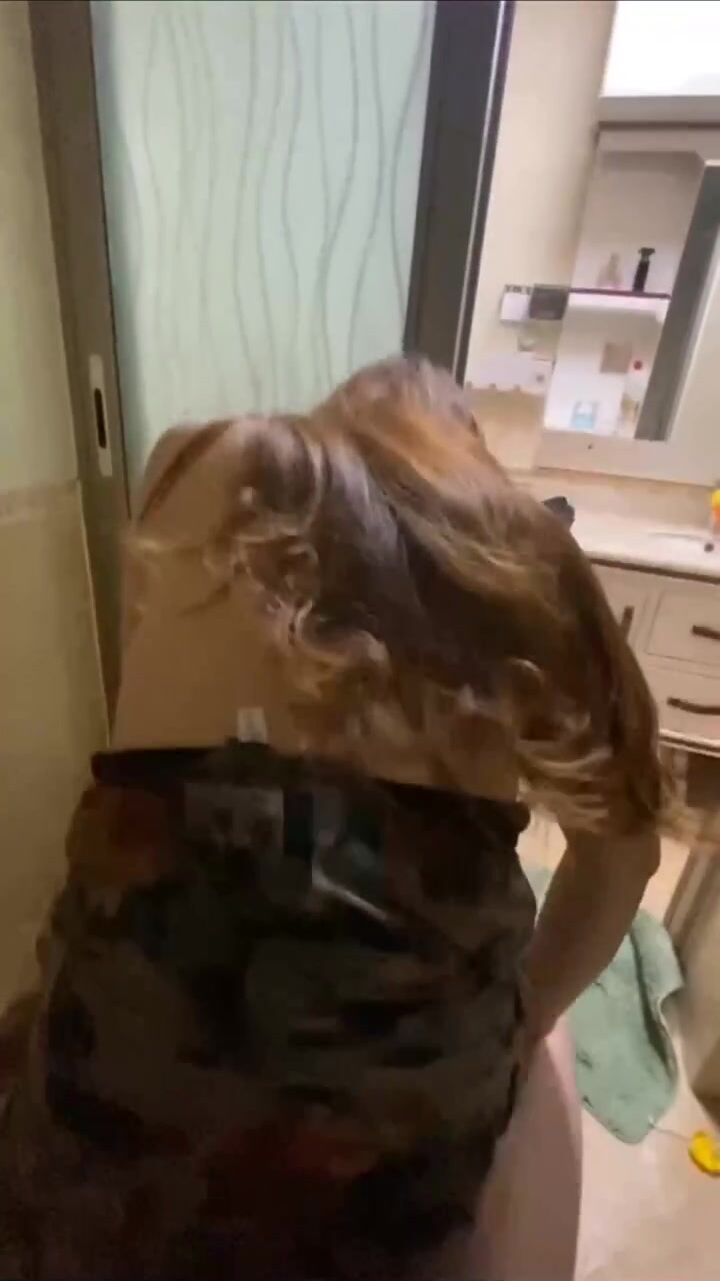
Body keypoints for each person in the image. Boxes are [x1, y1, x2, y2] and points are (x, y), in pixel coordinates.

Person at [0, 357, 667, 1279]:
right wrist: (527, 1021)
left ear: (333, 417)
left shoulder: (189, 470)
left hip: (93, 1158)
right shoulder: (521, 558)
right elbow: (624, 856)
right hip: (379, 1204)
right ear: (468, 457)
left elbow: (143, 762)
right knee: (541, 1017)